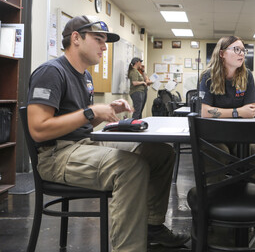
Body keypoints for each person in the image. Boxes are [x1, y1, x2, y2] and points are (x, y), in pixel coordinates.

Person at [27, 15, 189, 251]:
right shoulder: (51, 72)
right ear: (76, 39)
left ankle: (152, 227)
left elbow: (80, 123)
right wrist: (90, 113)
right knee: (130, 167)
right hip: (56, 156)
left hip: (84, 145)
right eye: (98, 39)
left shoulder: (85, 76)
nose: (104, 46)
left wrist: (102, 113)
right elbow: (39, 130)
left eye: (105, 40)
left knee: (161, 153)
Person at [199, 36, 255, 177]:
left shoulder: (247, 75)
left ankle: (249, 194)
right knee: (219, 155)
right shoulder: (208, 76)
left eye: (243, 50)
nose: (241, 53)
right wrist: (238, 112)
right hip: (214, 135)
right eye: (236, 49)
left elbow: (250, 111)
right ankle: (215, 195)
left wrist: (227, 112)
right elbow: (205, 112)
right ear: (221, 54)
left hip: (240, 134)